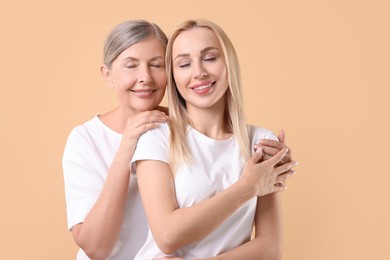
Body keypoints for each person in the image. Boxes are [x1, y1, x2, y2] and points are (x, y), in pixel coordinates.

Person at [131, 19, 297, 259]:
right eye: (184, 64)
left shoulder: (260, 142)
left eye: (210, 58)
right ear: (173, 76)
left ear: (228, 64)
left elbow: (270, 249)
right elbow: (167, 236)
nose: (199, 72)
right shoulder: (156, 138)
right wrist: (248, 186)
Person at [62, 20, 169, 259]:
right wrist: (127, 146)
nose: (145, 77)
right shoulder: (85, 139)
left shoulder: (188, 128)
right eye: (131, 65)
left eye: (157, 64)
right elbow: (96, 248)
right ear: (108, 75)